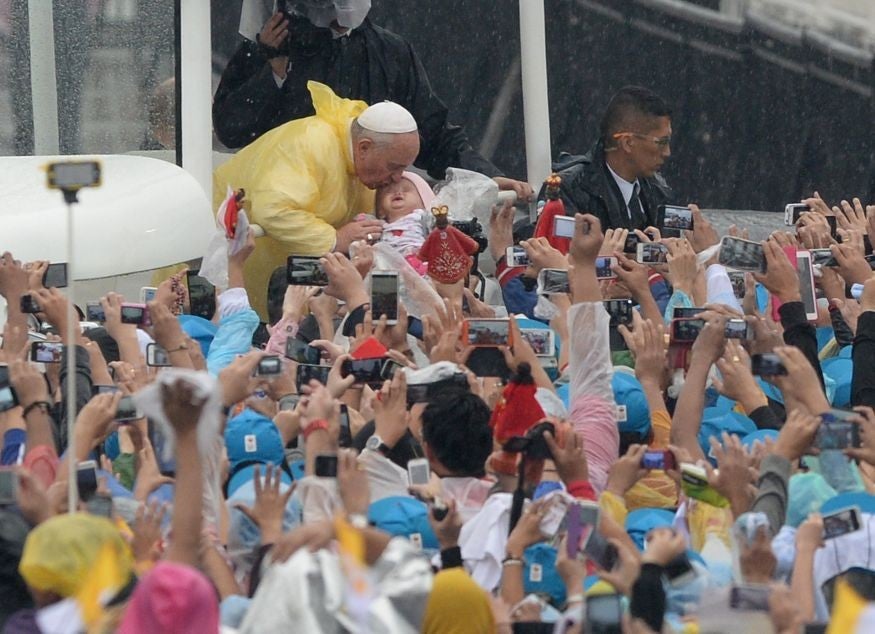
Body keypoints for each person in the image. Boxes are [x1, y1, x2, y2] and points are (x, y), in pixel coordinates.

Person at [213, 0, 533, 200]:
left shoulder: (387, 51)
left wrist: (486, 177)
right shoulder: (271, 47)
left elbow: (434, 134)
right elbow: (232, 129)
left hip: (364, 220)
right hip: (289, 216)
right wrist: (273, 71)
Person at [213, 81, 419, 318]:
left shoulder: (357, 152)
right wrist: (336, 238)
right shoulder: (311, 142)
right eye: (393, 167)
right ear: (364, 147)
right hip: (232, 269)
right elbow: (273, 210)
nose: (396, 179)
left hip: (294, 284)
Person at [538, 85, 675, 232]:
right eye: (661, 142)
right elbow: (560, 251)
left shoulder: (658, 191)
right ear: (627, 143)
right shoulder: (567, 191)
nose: (667, 152)